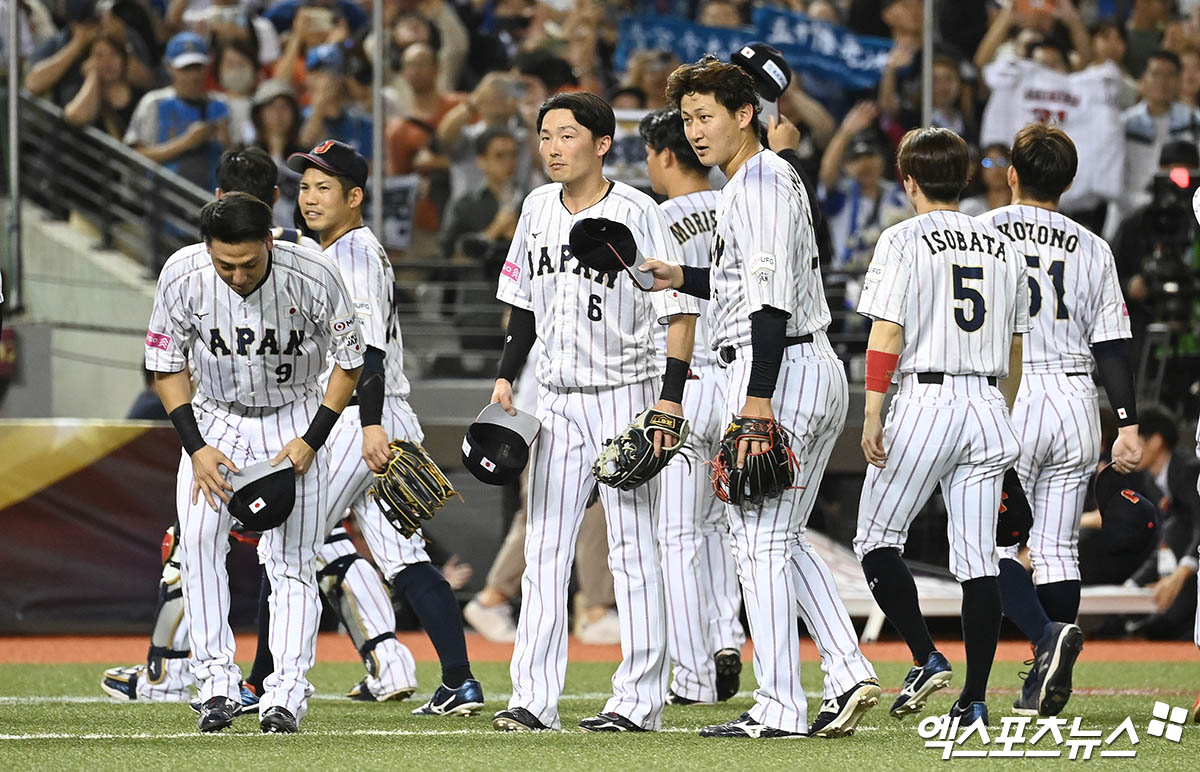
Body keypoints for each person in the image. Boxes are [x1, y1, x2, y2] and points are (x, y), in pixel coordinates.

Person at [645, 56, 881, 739]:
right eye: (687, 119)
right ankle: (847, 670)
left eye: (706, 116)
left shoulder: (761, 183)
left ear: (745, 115)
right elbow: (741, 281)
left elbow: (770, 304)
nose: (694, 131)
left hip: (782, 370)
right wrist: (681, 274)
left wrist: (757, 398)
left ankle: (779, 705)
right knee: (781, 539)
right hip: (795, 365)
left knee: (759, 547)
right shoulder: (754, 181)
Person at [487, 91, 699, 734]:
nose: (552, 147)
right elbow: (521, 302)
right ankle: (532, 699)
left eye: (566, 135)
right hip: (551, 399)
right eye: (545, 135)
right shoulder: (533, 208)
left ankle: (638, 702)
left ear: (602, 144)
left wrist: (668, 399)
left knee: (633, 551)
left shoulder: (640, 210)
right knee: (545, 550)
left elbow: (678, 310)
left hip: (624, 396)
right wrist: (505, 376)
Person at [145, 191, 364, 734]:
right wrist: (196, 447)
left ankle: (285, 695)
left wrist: (313, 439)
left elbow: (350, 363)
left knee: (292, 558)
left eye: (248, 262)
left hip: (294, 418)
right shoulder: (181, 274)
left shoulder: (314, 271)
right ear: (207, 248)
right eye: (225, 264)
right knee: (196, 544)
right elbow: (166, 366)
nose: (237, 275)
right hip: (214, 419)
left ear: (270, 240)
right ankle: (215, 685)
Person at [287, 139, 484, 714]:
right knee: (402, 556)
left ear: (355, 196)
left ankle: (262, 684)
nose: (310, 197)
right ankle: (458, 681)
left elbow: (367, 353)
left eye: (324, 187)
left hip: (362, 416)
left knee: (290, 541)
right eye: (304, 186)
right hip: (373, 412)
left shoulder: (352, 257)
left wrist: (372, 426)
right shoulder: (339, 248)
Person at [853, 127, 1029, 728]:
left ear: (908, 182)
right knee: (979, 560)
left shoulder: (902, 238)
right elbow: (1014, 349)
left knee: (876, 540)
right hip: (986, 403)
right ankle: (975, 700)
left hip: (926, 402)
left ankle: (927, 656)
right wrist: (999, 410)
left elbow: (887, 334)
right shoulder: (1003, 242)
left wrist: (873, 409)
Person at [978, 123, 1142, 717]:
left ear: (1012, 174)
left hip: (1007, 393)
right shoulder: (1093, 246)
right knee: (1057, 548)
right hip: (1076, 397)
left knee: (985, 547)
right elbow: (1115, 346)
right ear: (1069, 182)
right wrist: (1127, 424)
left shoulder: (982, 232)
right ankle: (1048, 668)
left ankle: (1045, 639)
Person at [639, 107, 744, 708]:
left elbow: (662, 310)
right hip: (734, 384)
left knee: (676, 536)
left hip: (684, 381)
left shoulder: (657, 216)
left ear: (666, 155)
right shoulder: (733, 202)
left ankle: (694, 676)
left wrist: (664, 398)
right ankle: (726, 636)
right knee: (721, 528)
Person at [1126, 407, 1200, 640]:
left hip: (1191, 560)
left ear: (1156, 441)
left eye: (1133, 440)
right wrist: (1133, 584)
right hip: (1180, 557)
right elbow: (1163, 539)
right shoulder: (1151, 479)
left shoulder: (1189, 470)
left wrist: (1178, 575)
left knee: (1175, 528)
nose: (1127, 448)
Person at [125, 31, 230, 192]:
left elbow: (237, 159)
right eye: (186, 68)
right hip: (165, 197)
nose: (193, 75)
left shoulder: (221, 104)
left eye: (198, 67)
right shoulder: (154, 103)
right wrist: (186, 142)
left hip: (213, 199)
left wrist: (227, 144)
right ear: (169, 67)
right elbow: (135, 155)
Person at [62, 33, 144, 139]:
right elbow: (77, 117)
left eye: (114, 54)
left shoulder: (140, 94)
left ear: (123, 59)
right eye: (99, 56)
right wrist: (92, 76)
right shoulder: (77, 89)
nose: (107, 62)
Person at [959, 144, 1012, 217]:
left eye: (1001, 161)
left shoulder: (1022, 206)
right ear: (980, 170)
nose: (996, 169)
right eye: (987, 163)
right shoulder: (969, 207)